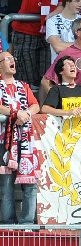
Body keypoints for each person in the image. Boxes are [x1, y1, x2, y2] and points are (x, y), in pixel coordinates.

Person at [0, 51, 40, 225]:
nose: (12, 61)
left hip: (25, 139)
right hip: (4, 140)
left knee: (31, 184)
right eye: (7, 59)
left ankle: (27, 224)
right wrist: (16, 114)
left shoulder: (23, 85)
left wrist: (26, 114)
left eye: (13, 59)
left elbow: (36, 105)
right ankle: (8, 224)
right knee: (6, 185)